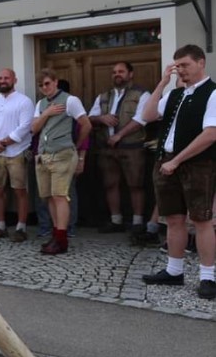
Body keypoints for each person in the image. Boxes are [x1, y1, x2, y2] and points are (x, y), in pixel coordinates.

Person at [140, 44, 216, 299]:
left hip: (198, 164)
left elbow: (211, 134)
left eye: (185, 65)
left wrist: (178, 160)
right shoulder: (175, 94)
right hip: (167, 161)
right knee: (173, 218)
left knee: (202, 220)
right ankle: (174, 271)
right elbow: (147, 114)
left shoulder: (213, 93)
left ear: (201, 63)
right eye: (178, 66)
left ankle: (208, 277)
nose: (180, 70)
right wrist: (163, 83)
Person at [30, 70, 91, 255]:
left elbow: (86, 124)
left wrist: (76, 145)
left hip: (62, 153)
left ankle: (62, 238)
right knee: (48, 196)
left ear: (55, 82)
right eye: (41, 85)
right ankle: (56, 234)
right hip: (44, 154)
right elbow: (33, 129)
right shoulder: (41, 104)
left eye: (47, 83)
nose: (44, 88)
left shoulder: (70, 100)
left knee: (59, 195)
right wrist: (47, 113)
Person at [89, 61, 150, 243]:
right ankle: (116, 220)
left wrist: (120, 135)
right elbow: (90, 117)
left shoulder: (142, 94)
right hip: (107, 148)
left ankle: (138, 222)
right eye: (114, 72)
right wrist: (101, 118)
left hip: (132, 147)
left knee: (136, 185)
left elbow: (142, 119)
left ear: (130, 74)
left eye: (121, 71)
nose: (117, 74)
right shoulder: (103, 96)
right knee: (110, 184)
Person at [0, 67, 34, 242]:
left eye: (6, 78)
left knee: (19, 190)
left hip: (16, 152)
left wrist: (4, 142)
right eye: (0, 78)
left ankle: (21, 227)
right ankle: (0, 225)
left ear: (14, 80)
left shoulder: (24, 102)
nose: (3, 81)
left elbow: (25, 126)